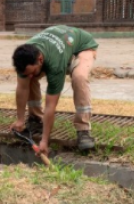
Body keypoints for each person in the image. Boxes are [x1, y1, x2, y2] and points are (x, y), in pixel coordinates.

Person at [10, 25, 99, 157]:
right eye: (26, 73)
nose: (29, 75)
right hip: (59, 45)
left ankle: (83, 130)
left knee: (79, 77)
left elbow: (50, 105)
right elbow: (22, 88)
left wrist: (44, 141)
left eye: (32, 71)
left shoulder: (55, 64)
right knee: (30, 79)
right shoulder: (24, 58)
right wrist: (20, 120)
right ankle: (35, 119)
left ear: (40, 60)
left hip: (81, 46)